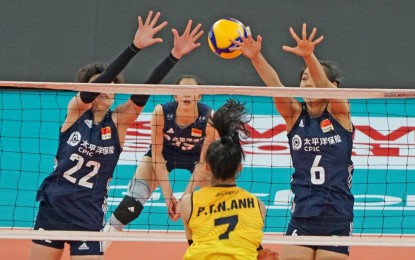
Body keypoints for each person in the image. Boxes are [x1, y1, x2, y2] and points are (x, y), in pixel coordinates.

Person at [29, 11, 204, 260]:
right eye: (102, 84)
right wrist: (134, 48)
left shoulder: (119, 123)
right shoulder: (76, 112)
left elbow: (142, 94)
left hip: (88, 215)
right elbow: (100, 84)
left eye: (113, 86)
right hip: (54, 209)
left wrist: (173, 56)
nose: (108, 89)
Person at [232, 24, 354, 260]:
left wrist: (309, 56)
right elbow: (275, 86)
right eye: (303, 80)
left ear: (333, 86)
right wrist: (256, 57)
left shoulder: (340, 113)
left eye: (312, 78)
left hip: (336, 216)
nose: (307, 84)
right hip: (303, 215)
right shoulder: (294, 116)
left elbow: (326, 89)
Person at [102, 74, 218, 250]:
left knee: (218, 200)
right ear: (175, 94)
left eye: (192, 90)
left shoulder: (209, 117)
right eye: (182, 90)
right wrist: (168, 196)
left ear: (199, 95)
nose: (187, 94)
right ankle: (101, 243)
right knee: (134, 198)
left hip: (196, 159)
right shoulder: (161, 112)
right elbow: (156, 155)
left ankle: (213, 249)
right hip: (164, 155)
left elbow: (203, 162)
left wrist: (185, 199)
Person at [180, 98, 279, 260]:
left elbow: (194, 244)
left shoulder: (188, 203)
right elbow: (248, 244)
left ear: (207, 167)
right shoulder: (258, 205)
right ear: (239, 167)